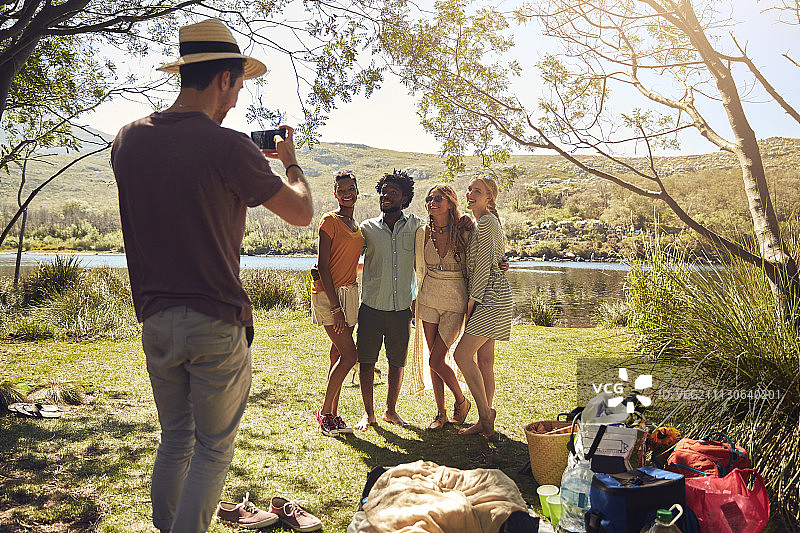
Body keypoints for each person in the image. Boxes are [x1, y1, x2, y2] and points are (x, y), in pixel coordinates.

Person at [111, 18, 313, 533]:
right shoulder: (228, 147)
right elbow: (300, 213)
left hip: (155, 319)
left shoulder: (128, 141)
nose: (238, 99)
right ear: (224, 78)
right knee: (213, 449)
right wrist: (290, 165)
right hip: (215, 318)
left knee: (175, 436)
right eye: (239, 85)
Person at [354, 170, 422, 431]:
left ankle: (390, 411)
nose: (386, 195)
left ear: (404, 198)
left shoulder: (416, 225)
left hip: (401, 308)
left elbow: (441, 232)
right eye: (384, 191)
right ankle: (368, 414)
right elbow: (348, 254)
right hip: (370, 308)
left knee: (397, 362)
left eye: (393, 192)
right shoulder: (367, 229)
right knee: (367, 361)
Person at [453, 177, 512, 438]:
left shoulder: (487, 222)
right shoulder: (481, 223)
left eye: (478, 191)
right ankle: (484, 419)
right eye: (469, 189)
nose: (470, 193)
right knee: (485, 361)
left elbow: (485, 269)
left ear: (490, 198)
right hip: (492, 294)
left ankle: (486, 416)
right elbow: (493, 259)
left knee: (462, 355)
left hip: (491, 297)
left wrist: (471, 303)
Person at [411, 185, 472, 430]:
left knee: (437, 359)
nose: (432, 202)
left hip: (456, 299)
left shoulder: (465, 231)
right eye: (429, 199)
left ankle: (461, 400)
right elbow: (418, 266)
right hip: (428, 298)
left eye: (438, 198)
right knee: (433, 358)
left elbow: (481, 257)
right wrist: (415, 295)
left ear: (450, 203)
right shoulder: (422, 233)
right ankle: (441, 413)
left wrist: (501, 264)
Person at [311, 170, 363, 436]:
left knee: (337, 354)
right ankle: (325, 414)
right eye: (341, 189)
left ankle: (334, 411)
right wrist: (335, 307)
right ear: (335, 193)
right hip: (329, 296)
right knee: (350, 355)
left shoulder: (357, 227)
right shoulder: (329, 221)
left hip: (350, 293)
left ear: (357, 190)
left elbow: (348, 260)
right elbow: (323, 265)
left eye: (350, 188)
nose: (346, 193)